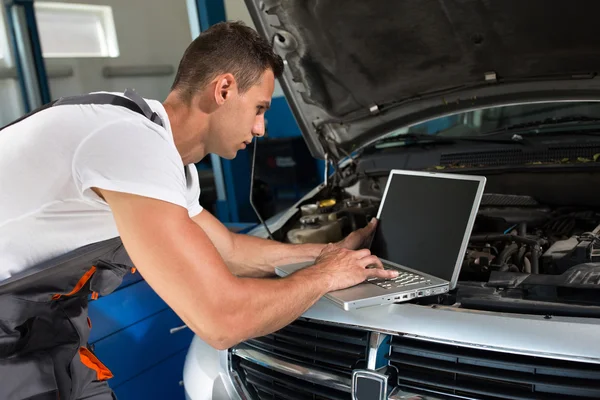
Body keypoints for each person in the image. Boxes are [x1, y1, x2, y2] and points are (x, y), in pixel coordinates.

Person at [0, 21, 397, 399]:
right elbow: (222, 320)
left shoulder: (158, 149)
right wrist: (324, 277)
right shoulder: (129, 142)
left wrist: (332, 254)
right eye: (259, 108)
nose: (261, 129)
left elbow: (232, 252)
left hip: (35, 330)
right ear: (223, 88)